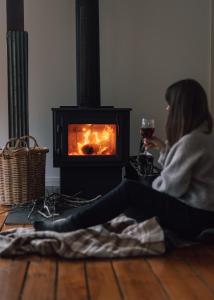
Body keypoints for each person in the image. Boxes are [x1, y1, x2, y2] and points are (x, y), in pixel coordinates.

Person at [34, 79, 214, 239]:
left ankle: (70, 225)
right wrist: (163, 149)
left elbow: (170, 189)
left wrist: (148, 187)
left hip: (196, 219)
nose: (167, 109)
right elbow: (182, 175)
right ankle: (86, 221)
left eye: (170, 104)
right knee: (134, 191)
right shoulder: (201, 135)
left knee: (129, 189)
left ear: (181, 108)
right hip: (201, 214)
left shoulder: (192, 141)